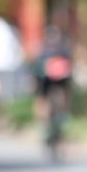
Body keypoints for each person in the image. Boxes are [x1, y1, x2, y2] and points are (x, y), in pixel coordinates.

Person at [33, 25, 73, 158]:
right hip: (47, 83)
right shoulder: (44, 52)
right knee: (45, 105)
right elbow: (38, 75)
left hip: (58, 83)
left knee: (59, 104)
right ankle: (46, 129)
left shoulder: (61, 52)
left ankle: (57, 126)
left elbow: (68, 73)